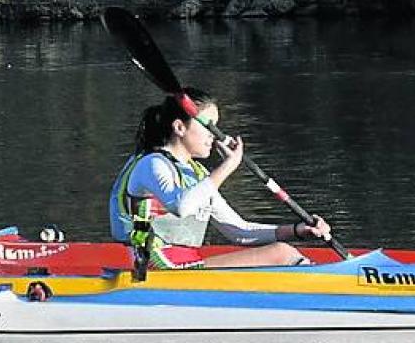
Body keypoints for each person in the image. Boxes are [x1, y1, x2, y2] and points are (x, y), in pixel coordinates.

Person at [109, 88, 332, 271]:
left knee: (282, 249)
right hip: (155, 268)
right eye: (209, 126)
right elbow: (181, 206)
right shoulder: (151, 163)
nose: (215, 135)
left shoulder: (198, 174)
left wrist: (296, 230)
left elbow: (240, 231)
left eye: (216, 127)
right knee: (281, 253)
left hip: (185, 266)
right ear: (179, 127)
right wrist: (229, 166)